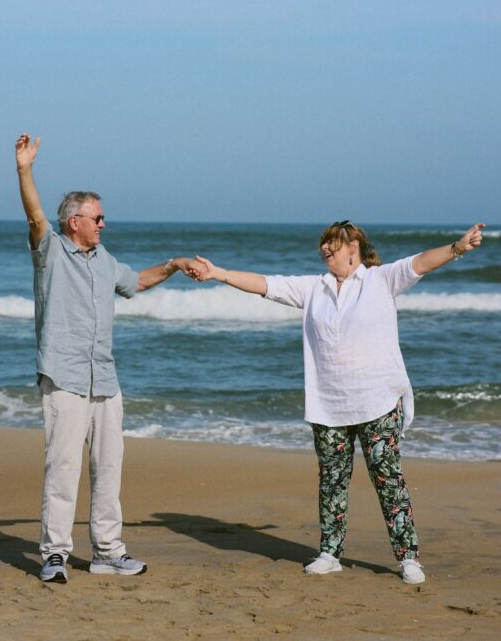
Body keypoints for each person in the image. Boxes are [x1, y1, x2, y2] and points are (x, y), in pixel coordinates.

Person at [195, 220, 485, 584]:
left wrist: (457, 248)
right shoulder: (313, 289)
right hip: (329, 405)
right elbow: (265, 284)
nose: (325, 250)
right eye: (323, 244)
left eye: (332, 243)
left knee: (388, 481)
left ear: (354, 247)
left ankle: (408, 557)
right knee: (332, 482)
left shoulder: (381, 279)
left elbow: (421, 262)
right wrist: (218, 273)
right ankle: (330, 553)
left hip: (378, 401)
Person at [15, 134, 206, 584]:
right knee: (62, 468)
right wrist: (25, 169)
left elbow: (136, 282)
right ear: (74, 221)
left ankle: (106, 551)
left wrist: (175, 264)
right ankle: (56, 554)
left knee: (109, 468)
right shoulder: (50, 251)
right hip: (63, 375)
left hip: (105, 378)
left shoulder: (104, 260)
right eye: (98, 218)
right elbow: (34, 215)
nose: (104, 224)